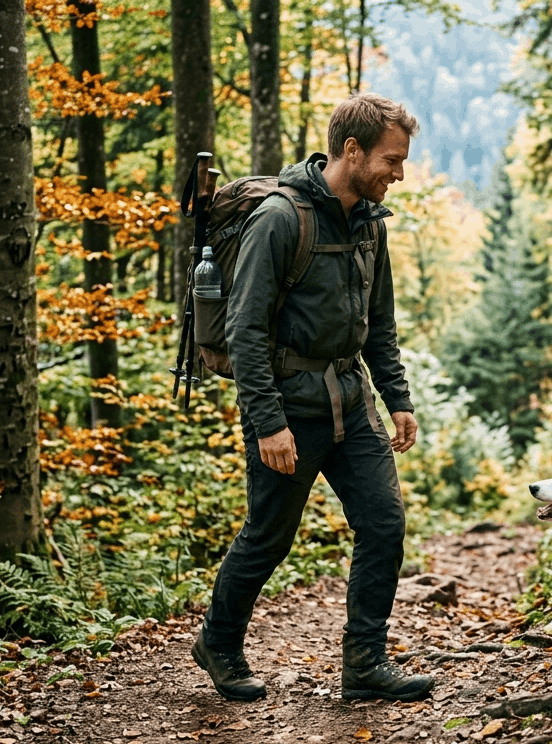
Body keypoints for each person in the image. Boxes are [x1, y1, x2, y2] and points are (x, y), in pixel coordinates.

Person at [192, 94, 434, 703]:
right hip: (290, 410)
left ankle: (365, 664)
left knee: (383, 523)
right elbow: (245, 329)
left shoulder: (369, 224)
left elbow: (379, 322)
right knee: (269, 537)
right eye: (391, 160)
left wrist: (397, 398)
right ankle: (218, 642)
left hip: (352, 402)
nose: (398, 174)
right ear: (351, 151)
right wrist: (267, 422)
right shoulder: (280, 218)